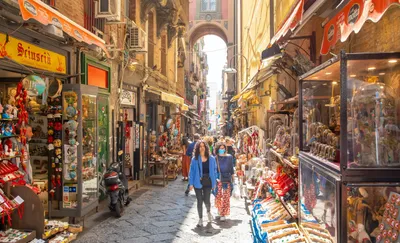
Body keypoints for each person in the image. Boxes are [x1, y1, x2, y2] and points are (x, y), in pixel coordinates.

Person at [188, 140, 217, 227]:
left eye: (203, 146)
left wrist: (214, 183)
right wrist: (191, 183)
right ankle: (200, 219)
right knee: (199, 200)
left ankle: (208, 212)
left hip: (208, 181)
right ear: (197, 148)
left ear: (206, 147)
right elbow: (191, 172)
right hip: (198, 181)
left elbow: (215, 171)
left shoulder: (211, 159)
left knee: (207, 200)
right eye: (200, 146)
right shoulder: (195, 159)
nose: (202, 147)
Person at [215, 142, 235, 221]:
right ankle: (220, 210)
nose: (222, 149)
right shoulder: (215, 158)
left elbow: (231, 168)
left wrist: (233, 179)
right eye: (220, 148)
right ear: (218, 149)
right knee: (219, 196)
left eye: (223, 148)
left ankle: (223, 213)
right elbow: (214, 169)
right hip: (218, 180)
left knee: (226, 196)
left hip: (227, 179)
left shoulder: (229, 157)